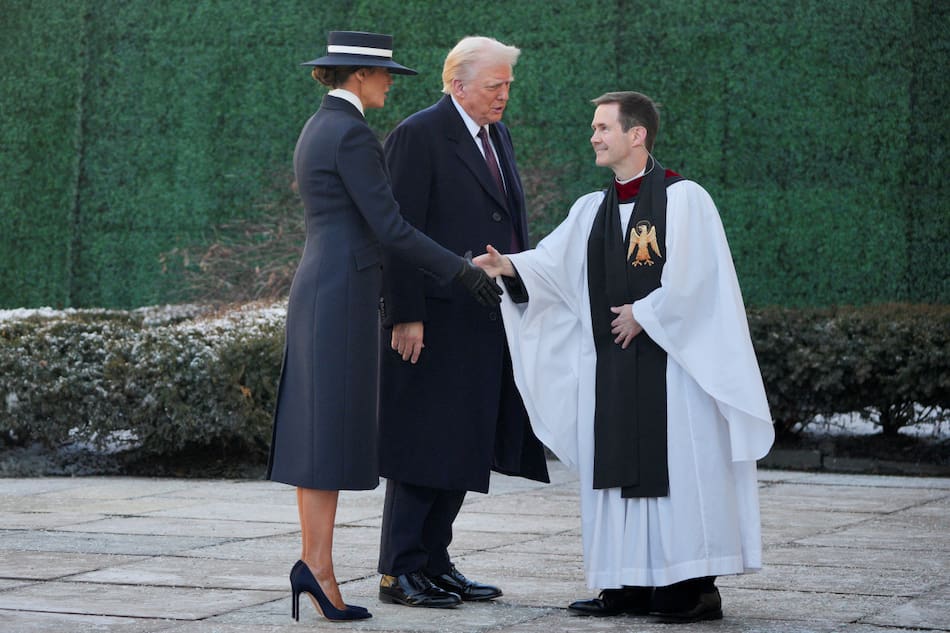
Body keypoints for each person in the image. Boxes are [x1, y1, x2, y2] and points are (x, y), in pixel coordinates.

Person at [474, 91, 775, 622]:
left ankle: (691, 587)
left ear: (636, 135)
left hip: (673, 375)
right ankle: (627, 581)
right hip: (611, 372)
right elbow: (553, 267)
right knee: (615, 473)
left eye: (603, 128)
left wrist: (646, 313)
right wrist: (511, 268)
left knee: (678, 472)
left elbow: (699, 281)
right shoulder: (591, 209)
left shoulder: (685, 200)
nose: (593, 136)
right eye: (594, 128)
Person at [266, 31, 501, 623]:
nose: (390, 84)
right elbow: (392, 227)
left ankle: (315, 564)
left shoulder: (320, 126)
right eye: (385, 75)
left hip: (325, 291)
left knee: (320, 438)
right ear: (359, 76)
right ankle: (317, 568)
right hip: (340, 297)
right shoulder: (351, 134)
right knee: (326, 439)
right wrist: (459, 271)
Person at [375, 35, 550, 609]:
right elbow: (397, 232)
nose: (504, 95)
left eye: (508, 86)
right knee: (423, 443)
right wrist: (406, 314)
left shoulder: (497, 134)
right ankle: (400, 570)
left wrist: (519, 286)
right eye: (495, 85)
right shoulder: (418, 135)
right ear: (458, 85)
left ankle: (435, 561)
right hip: (432, 319)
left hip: (483, 315)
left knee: (463, 442)